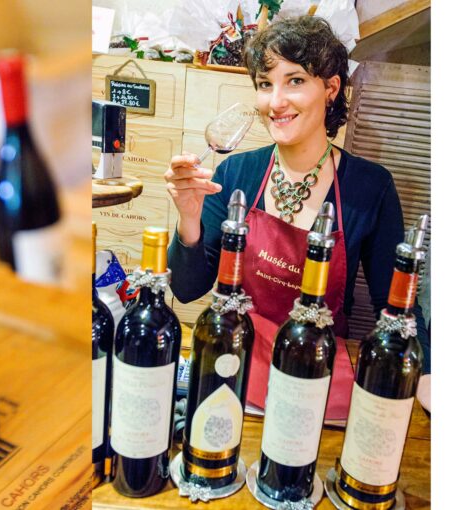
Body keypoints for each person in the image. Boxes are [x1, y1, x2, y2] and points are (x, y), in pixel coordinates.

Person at [165, 16, 431, 414]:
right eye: (264, 84)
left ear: (330, 89)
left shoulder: (369, 187)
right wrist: (188, 220)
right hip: (233, 365)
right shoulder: (236, 173)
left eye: (295, 80)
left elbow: (393, 303)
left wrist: (427, 375)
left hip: (314, 373)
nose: (276, 102)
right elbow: (187, 289)